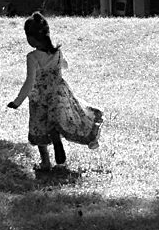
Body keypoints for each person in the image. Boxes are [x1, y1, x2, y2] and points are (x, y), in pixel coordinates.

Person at [7, 12, 103, 175]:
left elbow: (30, 81)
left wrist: (17, 101)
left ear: (32, 38)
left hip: (39, 98)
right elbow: (65, 65)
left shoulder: (32, 57)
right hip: (58, 93)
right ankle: (57, 136)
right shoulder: (57, 52)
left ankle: (45, 161)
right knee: (59, 119)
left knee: (40, 126)